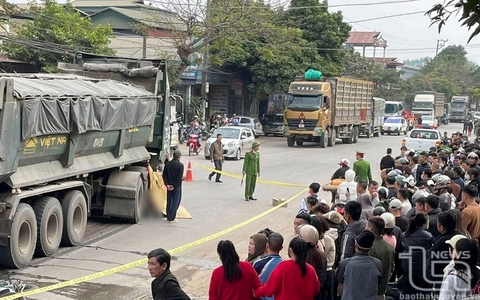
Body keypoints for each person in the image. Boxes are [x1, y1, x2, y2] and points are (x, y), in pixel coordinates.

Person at [253, 237, 320, 300]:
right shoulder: (311, 269)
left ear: (290, 250)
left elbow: (268, 289)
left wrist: (255, 293)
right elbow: (316, 289)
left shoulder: (283, 267)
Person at [335, 230, 382, 300]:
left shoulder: (345, 263)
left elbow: (338, 280)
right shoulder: (377, 264)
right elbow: (379, 282)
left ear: (356, 246)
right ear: (371, 247)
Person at [366, 217, 395, 300]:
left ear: (370, 228)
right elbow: (391, 268)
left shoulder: (369, 247)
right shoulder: (390, 248)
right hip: (381, 291)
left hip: (369, 292)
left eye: (366, 226)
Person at [162, 149, 184, 223]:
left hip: (168, 186)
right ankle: (172, 217)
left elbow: (164, 175)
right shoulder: (180, 165)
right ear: (179, 157)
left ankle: (168, 216)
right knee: (175, 201)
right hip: (176, 187)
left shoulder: (168, 164)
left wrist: (167, 184)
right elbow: (179, 177)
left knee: (169, 201)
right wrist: (174, 185)